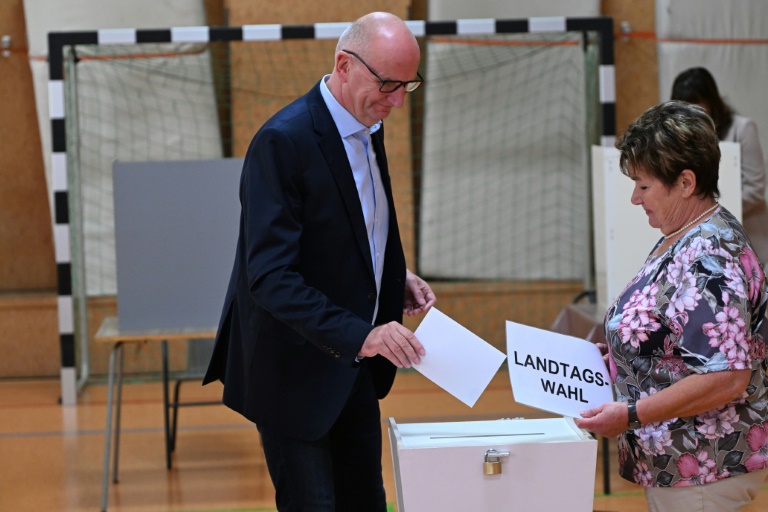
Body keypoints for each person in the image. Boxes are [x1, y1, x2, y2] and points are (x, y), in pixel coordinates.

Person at [202, 12, 435, 512]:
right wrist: (364, 334)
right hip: (294, 375)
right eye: (388, 84)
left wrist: (393, 276)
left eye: (407, 86)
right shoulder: (283, 141)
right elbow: (269, 277)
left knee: (366, 502)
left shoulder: (368, 125)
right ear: (344, 65)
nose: (397, 101)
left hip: (350, 368)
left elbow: (355, 228)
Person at [575, 101, 768, 511]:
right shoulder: (688, 232)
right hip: (687, 464)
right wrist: (623, 358)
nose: (633, 198)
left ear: (685, 182)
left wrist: (630, 414)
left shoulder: (708, 253)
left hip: (703, 465)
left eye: (644, 186)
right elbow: (679, 340)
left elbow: (726, 376)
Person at [671, 67, 768, 263]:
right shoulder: (679, 138)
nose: (691, 112)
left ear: (712, 102)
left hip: (748, 239)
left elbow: (755, 189)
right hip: (703, 243)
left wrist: (707, 212)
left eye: (696, 103)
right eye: (683, 107)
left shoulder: (742, 129)